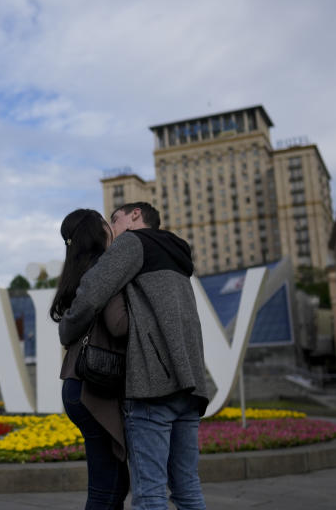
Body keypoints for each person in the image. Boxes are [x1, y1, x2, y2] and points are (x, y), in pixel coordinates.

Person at [59, 201, 209, 510]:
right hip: (190, 384)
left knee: (150, 494)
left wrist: (66, 330)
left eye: (115, 220)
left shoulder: (131, 242)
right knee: (188, 491)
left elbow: (91, 293)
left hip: (152, 385)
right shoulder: (177, 253)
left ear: (135, 216)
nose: (112, 229)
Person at [52, 208, 129, 509]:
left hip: (76, 383)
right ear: (99, 234)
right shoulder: (104, 272)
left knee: (108, 484)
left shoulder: (77, 273)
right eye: (107, 226)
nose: (113, 230)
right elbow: (118, 324)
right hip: (94, 387)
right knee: (107, 489)